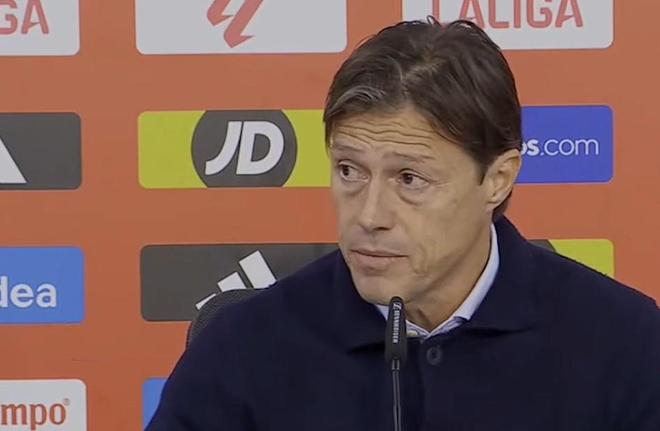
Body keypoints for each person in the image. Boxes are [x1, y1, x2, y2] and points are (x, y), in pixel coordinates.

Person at [146, 18, 660, 430]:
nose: (369, 216)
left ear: (497, 179)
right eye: (349, 171)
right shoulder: (243, 348)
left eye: (409, 179)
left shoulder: (626, 342)